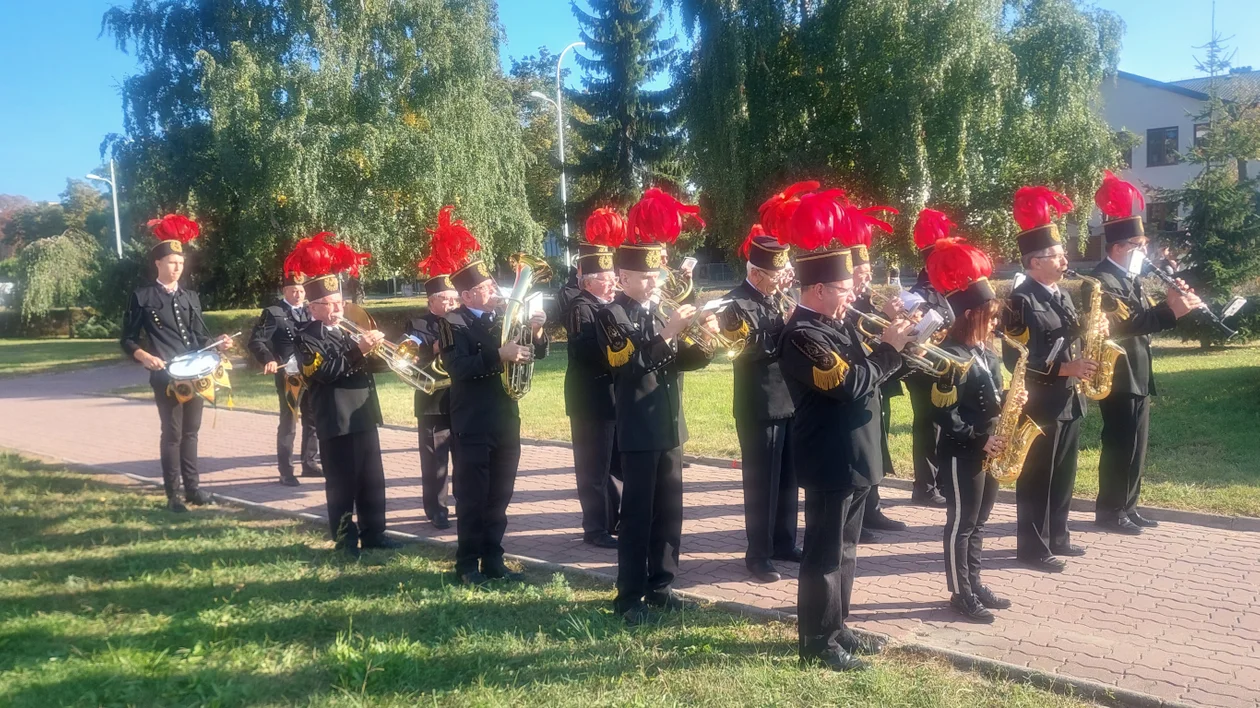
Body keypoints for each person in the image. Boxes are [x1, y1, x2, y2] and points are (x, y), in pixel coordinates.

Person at [778, 242, 914, 671]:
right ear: (817, 288)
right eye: (842, 287)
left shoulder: (838, 324)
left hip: (856, 454)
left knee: (848, 550)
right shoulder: (802, 335)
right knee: (823, 555)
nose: (852, 294)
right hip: (829, 457)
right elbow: (849, 384)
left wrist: (906, 349)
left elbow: (874, 377)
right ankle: (816, 642)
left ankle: (838, 627)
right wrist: (888, 350)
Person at [597, 188, 713, 625]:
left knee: (670, 512)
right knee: (637, 515)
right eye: (644, 277)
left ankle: (662, 586)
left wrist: (701, 337)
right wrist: (669, 331)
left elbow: (683, 360)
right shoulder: (612, 315)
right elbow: (631, 366)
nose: (653, 283)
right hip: (639, 427)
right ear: (623, 277)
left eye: (656, 276)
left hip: (669, 423)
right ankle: (628, 597)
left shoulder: (657, 310)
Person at [433, 206, 549, 587]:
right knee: (472, 496)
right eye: (485, 289)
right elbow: (459, 369)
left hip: (505, 417)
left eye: (492, 286)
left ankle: (494, 558)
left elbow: (535, 356)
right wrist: (499, 355)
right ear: (467, 295)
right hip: (472, 421)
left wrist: (535, 333)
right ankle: (467, 564)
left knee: (501, 493)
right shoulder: (452, 324)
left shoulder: (504, 319)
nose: (495, 292)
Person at [1091, 172, 1201, 534]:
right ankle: (1109, 511)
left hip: (1138, 371)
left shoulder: (1130, 278)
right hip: (1119, 374)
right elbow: (1131, 323)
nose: (1145, 251)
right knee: (1120, 444)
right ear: (1120, 247)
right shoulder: (1103, 281)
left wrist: (1172, 301)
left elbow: (1146, 315)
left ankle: (1129, 505)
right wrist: (1173, 312)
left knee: (1137, 445)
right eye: (1139, 245)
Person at [926, 238, 1022, 623]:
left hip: (992, 445)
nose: (995, 323)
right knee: (962, 523)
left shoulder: (985, 351)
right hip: (965, 448)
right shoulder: (951, 356)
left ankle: (976, 581)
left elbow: (992, 395)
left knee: (981, 520)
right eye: (990, 316)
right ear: (970, 316)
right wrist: (980, 438)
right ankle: (959, 591)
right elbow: (943, 415)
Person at [1003, 186, 1097, 572]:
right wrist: (1065, 369)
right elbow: (1017, 358)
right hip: (1041, 399)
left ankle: (1059, 534)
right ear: (1034, 262)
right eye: (1058, 255)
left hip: (1069, 397)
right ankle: (1033, 546)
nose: (1065, 260)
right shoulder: (1020, 299)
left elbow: (1070, 335)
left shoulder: (1061, 293)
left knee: (1064, 470)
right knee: (1038, 475)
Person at [290, 233, 401, 559]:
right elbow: (324, 372)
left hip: (363, 413)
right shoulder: (305, 337)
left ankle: (375, 534)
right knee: (341, 483)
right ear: (313, 307)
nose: (339, 308)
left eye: (340, 302)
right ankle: (345, 539)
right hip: (335, 418)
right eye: (331, 304)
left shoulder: (348, 329)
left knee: (372, 479)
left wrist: (381, 351)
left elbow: (373, 364)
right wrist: (358, 349)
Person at [121, 214, 233, 513]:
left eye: (181, 263)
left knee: (192, 432)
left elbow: (198, 336)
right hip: (165, 375)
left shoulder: (190, 297)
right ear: (157, 263)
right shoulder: (142, 296)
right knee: (172, 433)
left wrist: (219, 342)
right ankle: (173, 495)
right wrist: (144, 356)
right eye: (172, 262)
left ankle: (193, 489)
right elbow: (128, 339)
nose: (177, 267)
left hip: (194, 375)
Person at [719, 227, 799, 583]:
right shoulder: (733, 303)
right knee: (761, 483)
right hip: (759, 403)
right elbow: (746, 350)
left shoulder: (777, 299)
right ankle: (758, 554)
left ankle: (784, 542)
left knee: (787, 480)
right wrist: (787, 326)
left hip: (790, 400)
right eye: (773, 276)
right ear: (754, 272)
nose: (778, 281)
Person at [837, 203, 911, 539]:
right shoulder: (842, 307)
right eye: (861, 272)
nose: (868, 277)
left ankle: (874, 508)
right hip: (856, 382)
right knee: (860, 449)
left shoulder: (865, 303)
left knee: (877, 445)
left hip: (879, 382)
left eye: (868, 271)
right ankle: (859, 515)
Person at [565, 208, 624, 549]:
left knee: (613, 464)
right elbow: (586, 350)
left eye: (612, 275)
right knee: (593, 468)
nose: (612, 280)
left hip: (612, 396)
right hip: (591, 398)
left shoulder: (607, 305)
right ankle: (595, 528)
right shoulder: (581, 307)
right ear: (589, 281)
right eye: (605, 277)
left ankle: (612, 519)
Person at [905, 208, 958, 507]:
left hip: (947, 368)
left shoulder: (947, 289)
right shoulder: (918, 294)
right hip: (925, 369)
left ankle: (942, 482)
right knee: (928, 424)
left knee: (946, 423)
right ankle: (924, 486)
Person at [248, 271, 321, 487]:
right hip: (289, 375)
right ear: (284, 291)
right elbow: (256, 341)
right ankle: (286, 471)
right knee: (289, 423)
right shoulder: (273, 313)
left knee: (313, 420)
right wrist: (268, 359)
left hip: (311, 372)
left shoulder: (311, 311)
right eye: (293, 291)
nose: (298, 295)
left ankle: (309, 463)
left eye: (301, 290)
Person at [405, 271, 459, 531]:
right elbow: (408, 358)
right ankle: (436, 509)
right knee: (435, 461)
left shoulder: (463, 320)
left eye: (454, 299)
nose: (451, 304)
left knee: (466, 457)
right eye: (445, 299)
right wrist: (433, 348)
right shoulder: (418, 325)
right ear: (431, 303)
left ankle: (466, 503)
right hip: (433, 403)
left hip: (463, 400)